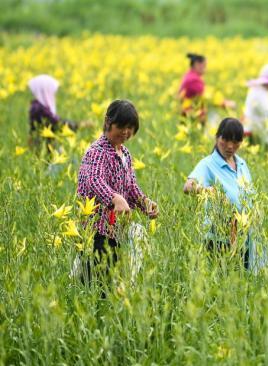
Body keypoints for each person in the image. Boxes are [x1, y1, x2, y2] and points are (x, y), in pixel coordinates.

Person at [77, 99, 158, 288]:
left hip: (116, 231)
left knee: (111, 283)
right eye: (121, 126)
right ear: (107, 121)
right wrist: (115, 198)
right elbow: (94, 180)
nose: (126, 132)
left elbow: (131, 187)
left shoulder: (125, 153)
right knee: (94, 284)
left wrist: (144, 202)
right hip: (96, 230)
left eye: (131, 128)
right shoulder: (96, 152)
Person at [184, 117, 254, 267]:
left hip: (243, 236)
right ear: (217, 137)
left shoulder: (242, 163)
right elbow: (188, 186)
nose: (230, 146)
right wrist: (208, 191)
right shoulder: (207, 164)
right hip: (219, 238)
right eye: (226, 140)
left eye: (235, 142)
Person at [178, 53, 235, 126]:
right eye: (204, 66)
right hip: (191, 113)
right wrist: (225, 103)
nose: (205, 69)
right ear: (197, 65)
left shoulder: (190, 75)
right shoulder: (193, 79)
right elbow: (208, 97)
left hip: (191, 111)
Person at [28, 74, 81, 147]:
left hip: (42, 145)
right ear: (46, 91)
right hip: (42, 147)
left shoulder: (37, 106)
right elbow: (58, 123)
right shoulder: (39, 109)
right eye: (52, 92)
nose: (54, 95)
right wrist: (79, 125)